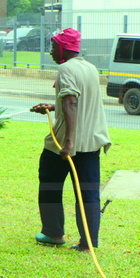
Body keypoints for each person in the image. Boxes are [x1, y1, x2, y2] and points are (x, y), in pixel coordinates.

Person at [30, 28, 111, 251]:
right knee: (89, 193)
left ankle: (53, 233)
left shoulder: (65, 68)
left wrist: (68, 143)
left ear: (63, 48)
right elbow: (75, 101)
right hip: (92, 142)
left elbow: (72, 103)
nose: (51, 52)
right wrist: (52, 106)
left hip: (65, 145)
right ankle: (88, 243)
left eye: (53, 47)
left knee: (49, 184)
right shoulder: (90, 68)